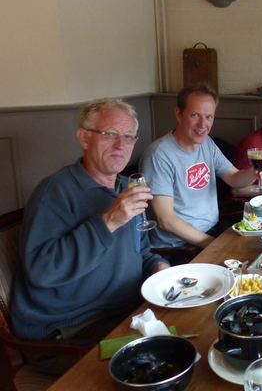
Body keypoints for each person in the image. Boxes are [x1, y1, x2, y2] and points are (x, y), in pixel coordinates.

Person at [10, 98, 170, 375]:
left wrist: (159, 269)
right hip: (70, 331)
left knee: (195, 338)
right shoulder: (54, 193)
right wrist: (109, 220)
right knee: (157, 369)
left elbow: (141, 250)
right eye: (109, 134)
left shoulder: (125, 188)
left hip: (126, 314)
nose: (121, 145)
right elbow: (42, 271)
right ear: (84, 138)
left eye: (128, 137)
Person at [140, 84, 262, 249]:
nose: (203, 125)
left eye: (209, 117)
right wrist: (214, 245)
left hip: (211, 232)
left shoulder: (207, 144)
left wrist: (254, 172)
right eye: (195, 115)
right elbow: (165, 220)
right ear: (179, 114)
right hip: (180, 247)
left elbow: (234, 178)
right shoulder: (159, 155)